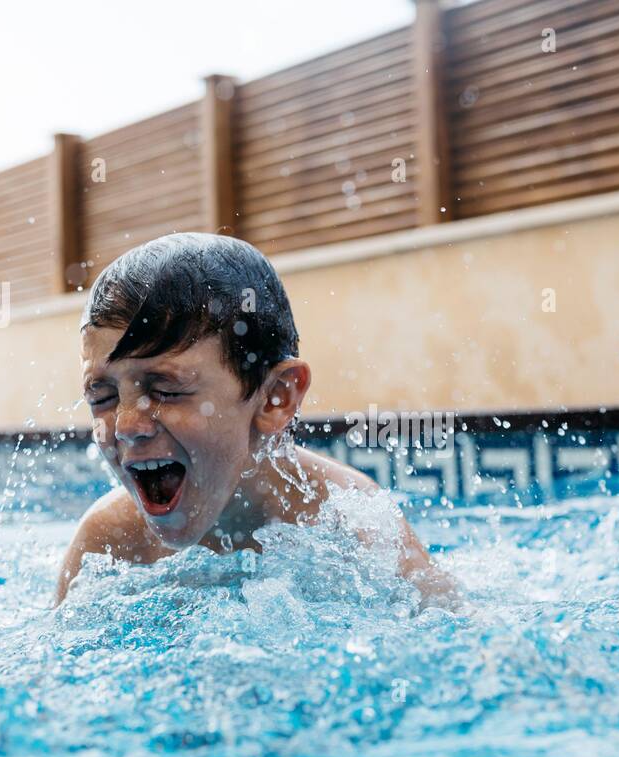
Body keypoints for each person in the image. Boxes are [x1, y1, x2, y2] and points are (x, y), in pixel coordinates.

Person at [55, 232, 447, 605]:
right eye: (102, 396)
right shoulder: (108, 544)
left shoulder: (359, 530)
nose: (126, 426)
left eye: (166, 390)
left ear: (276, 398)